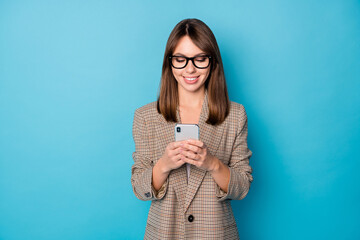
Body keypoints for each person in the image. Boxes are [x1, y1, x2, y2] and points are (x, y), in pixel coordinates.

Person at [131, 18, 253, 239]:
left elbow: (242, 187)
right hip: (164, 233)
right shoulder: (145, 117)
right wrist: (164, 165)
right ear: (170, 63)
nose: (190, 68)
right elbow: (140, 189)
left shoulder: (235, 115)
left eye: (199, 59)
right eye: (181, 59)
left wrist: (213, 164)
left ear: (212, 62)